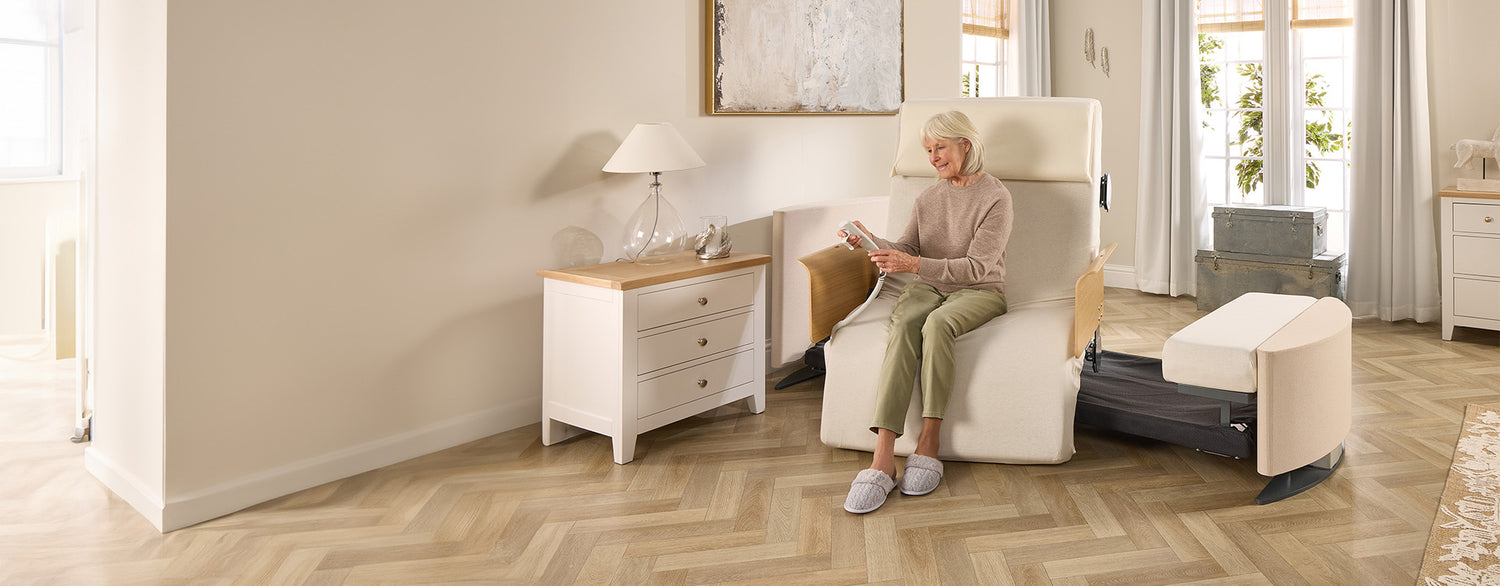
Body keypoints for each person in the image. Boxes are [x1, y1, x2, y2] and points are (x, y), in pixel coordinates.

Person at [838, 110, 1013, 514]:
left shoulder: (996, 197)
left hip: (981, 291)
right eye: (928, 150)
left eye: (940, 147)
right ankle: (882, 457)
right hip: (930, 285)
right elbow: (909, 249)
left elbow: (976, 268)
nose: (933, 157)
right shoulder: (929, 197)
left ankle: (928, 442)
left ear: (965, 145)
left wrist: (912, 266)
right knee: (903, 325)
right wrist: (867, 240)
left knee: (938, 324)